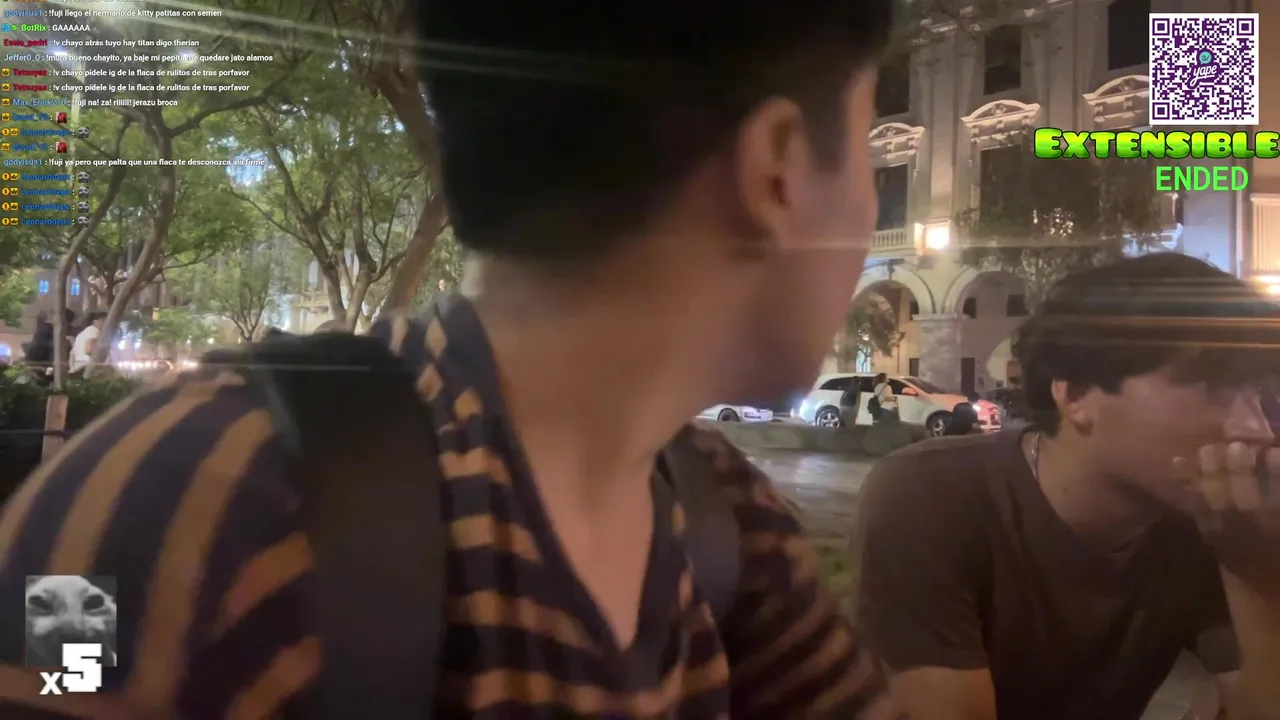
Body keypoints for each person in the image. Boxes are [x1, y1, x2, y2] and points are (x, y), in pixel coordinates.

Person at [0, 1, 900, 717]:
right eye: (863, 145)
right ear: (778, 168)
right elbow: (61, 663)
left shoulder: (730, 530)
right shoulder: (188, 496)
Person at [854, 254, 1280, 720]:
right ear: (1076, 395)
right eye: (1212, 386)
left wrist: (1255, 570)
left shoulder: (1211, 525)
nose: (1257, 429)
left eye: (1258, 393)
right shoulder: (931, 496)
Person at [68, 311, 105, 375]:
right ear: (96, 321)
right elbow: (89, 349)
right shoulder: (94, 331)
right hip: (88, 367)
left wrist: (71, 368)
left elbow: (72, 354)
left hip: (78, 367)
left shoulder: (82, 333)